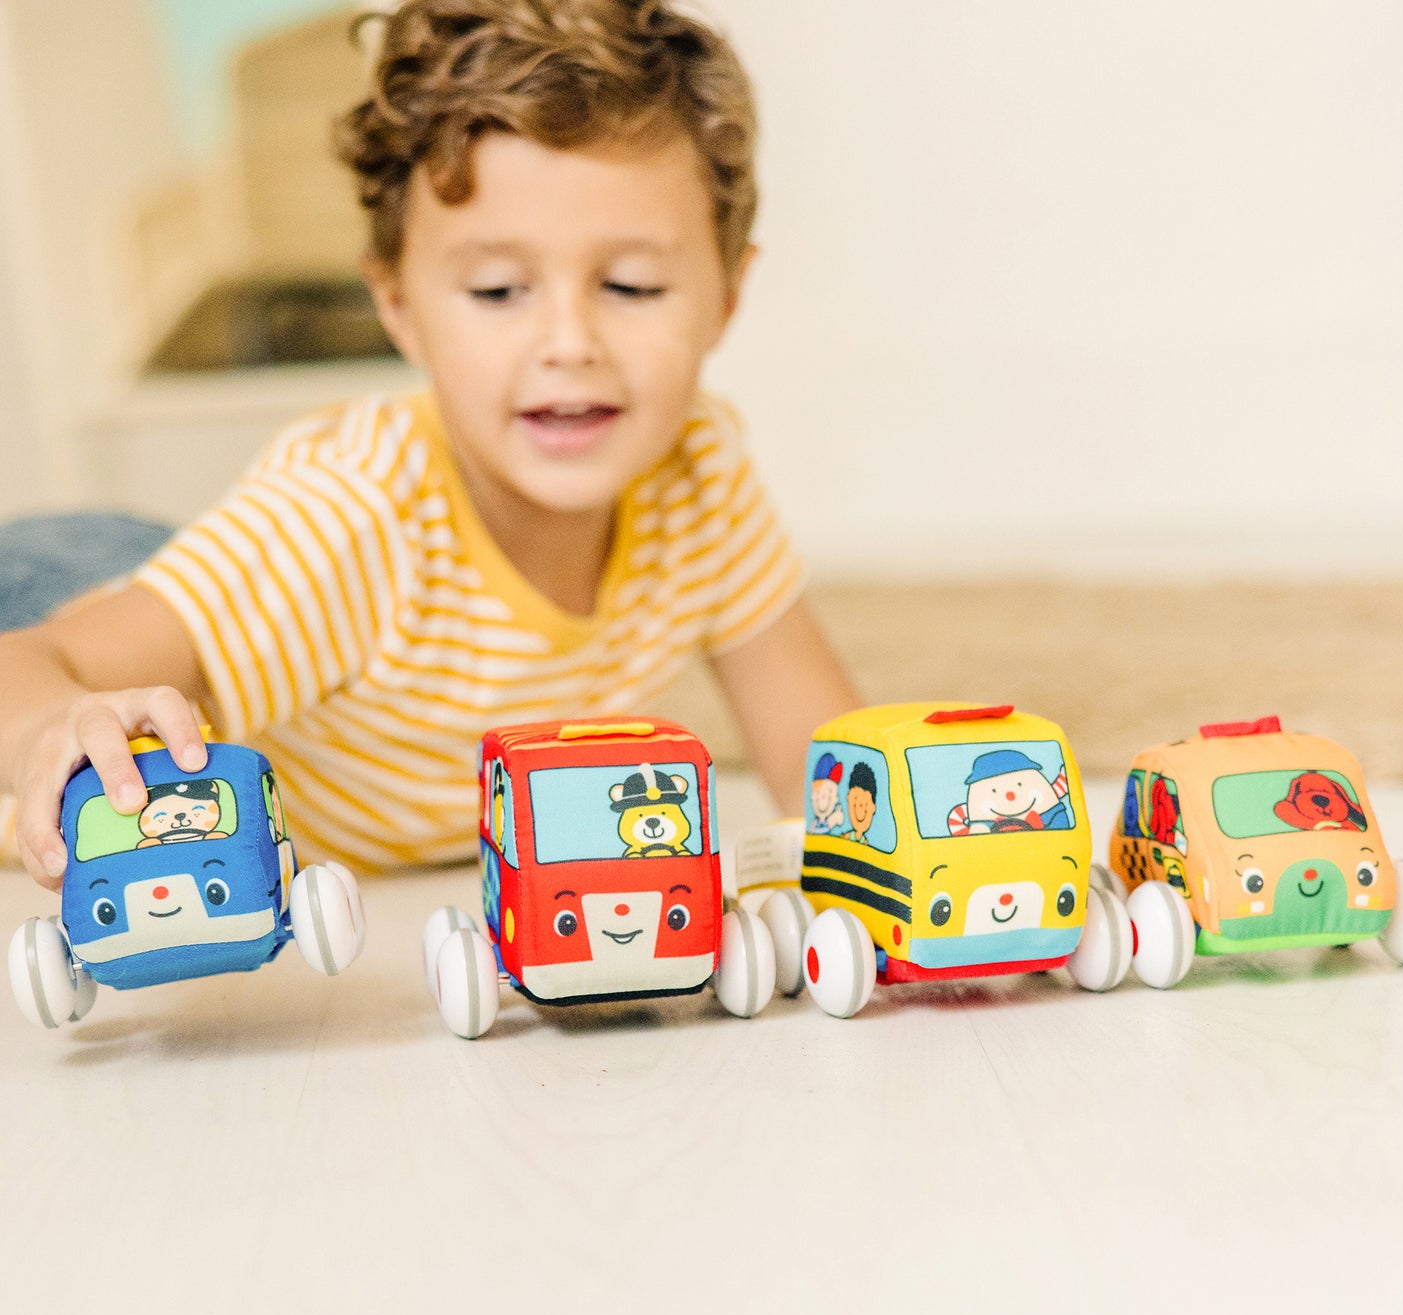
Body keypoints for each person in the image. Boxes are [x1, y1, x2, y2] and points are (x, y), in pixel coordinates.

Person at [0, 0, 857, 889]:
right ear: (399, 306)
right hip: (51, 588)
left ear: (726, 296)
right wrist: (42, 732)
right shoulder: (349, 518)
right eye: (497, 291)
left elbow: (831, 779)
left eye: (631, 286)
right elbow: (26, 664)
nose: (569, 343)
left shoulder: (699, 471)